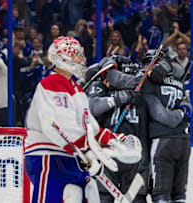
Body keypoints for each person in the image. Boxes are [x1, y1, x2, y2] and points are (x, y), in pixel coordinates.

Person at [24, 37, 141, 203]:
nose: (82, 60)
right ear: (64, 57)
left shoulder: (76, 89)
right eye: (77, 55)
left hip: (70, 158)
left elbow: (89, 128)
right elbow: (61, 126)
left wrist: (114, 140)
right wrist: (87, 152)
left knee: (87, 194)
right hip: (49, 157)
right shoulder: (52, 83)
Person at [85, 56, 147, 202]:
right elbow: (93, 106)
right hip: (109, 150)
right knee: (104, 195)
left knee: (136, 197)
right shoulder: (101, 86)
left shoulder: (142, 91)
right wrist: (118, 99)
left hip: (135, 152)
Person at [142, 50, 192, 203]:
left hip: (163, 140)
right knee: (179, 195)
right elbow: (188, 107)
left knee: (161, 194)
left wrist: (175, 117)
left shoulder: (148, 82)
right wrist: (181, 113)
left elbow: (161, 116)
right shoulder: (177, 80)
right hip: (184, 140)